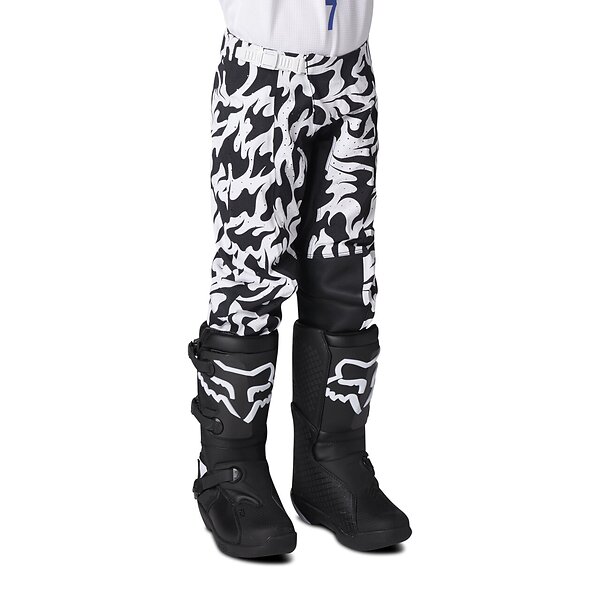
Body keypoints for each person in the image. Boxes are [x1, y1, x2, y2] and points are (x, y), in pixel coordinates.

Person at [188, 0, 412, 558]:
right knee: (252, 269)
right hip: (263, 78)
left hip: (350, 75)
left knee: (346, 269)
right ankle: (230, 467)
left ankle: (331, 462)